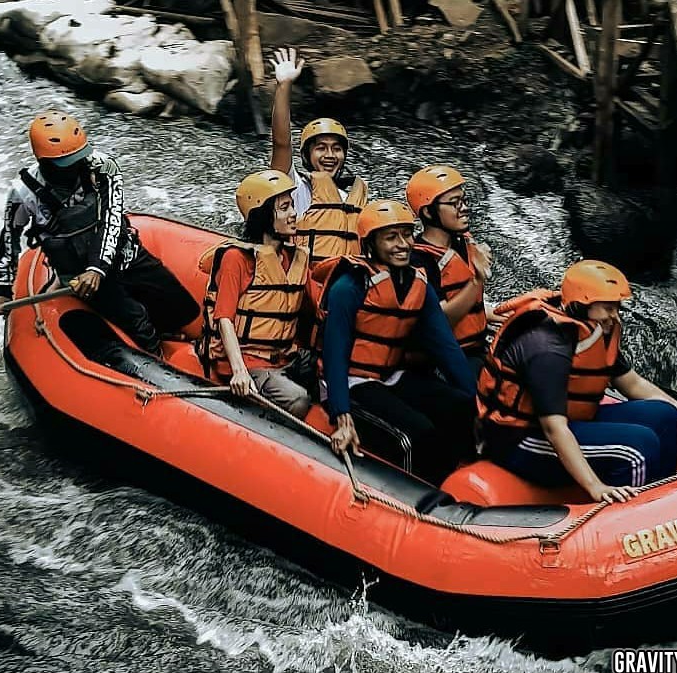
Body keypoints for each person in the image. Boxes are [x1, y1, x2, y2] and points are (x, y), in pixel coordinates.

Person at [477, 260, 677, 504]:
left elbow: (633, 384)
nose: (614, 316)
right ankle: (637, 521)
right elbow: (554, 428)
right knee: (637, 448)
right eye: (607, 308)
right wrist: (596, 487)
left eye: (616, 307)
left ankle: (662, 501)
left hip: (570, 422)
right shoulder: (547, 347)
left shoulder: (593, 329)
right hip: (520, 439)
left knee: (664, 415)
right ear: (581, 305)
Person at [0, 111, 199, 354]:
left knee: (183, 307)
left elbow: (112, 218)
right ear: (44, 162)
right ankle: (156, 360)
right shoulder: (23, 193)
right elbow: (9, 241)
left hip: (123, 255)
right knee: (136, 319)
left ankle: (172, 332)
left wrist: (97, 267)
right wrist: (2, 290)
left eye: (79, 157)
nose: (77, 166)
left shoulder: (104, 168)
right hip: (80, 276)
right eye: (68, 163)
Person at [316, 199, 477, 485]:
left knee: (461, 406)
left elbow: (446, 348)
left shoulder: (418, 283)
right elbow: (335, 354)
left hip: (391, 375)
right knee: (419, 432)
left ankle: (464, 479)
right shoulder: (350, 286)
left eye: (406, 235)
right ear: (371, 244)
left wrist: (478, 402)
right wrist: (342, 414)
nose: (402, 244)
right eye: (391, 237)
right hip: (351, 381)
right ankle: (422, 494)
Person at [197, 170, 312, 419]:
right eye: (284, 208)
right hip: (249, 362)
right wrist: (240, 371)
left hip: (285, 356)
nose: (294, 213)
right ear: (262, 217)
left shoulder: (294, 258)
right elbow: (224, 318)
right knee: (299, 400)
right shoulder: (237, 259)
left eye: (292, 205)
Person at [269, 47, 368, 265]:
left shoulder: (352, 198)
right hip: (305, 276)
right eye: (321, 148)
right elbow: (281, 143)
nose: (330, 155)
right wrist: (284, 85)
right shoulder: (295, 189)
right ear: (307, 155)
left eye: (336, 148)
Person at [406, 164, 503, 375]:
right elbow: (441, 320)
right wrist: (477, 280)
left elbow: (465, 298)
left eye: (464, 200)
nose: (464, 208)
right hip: (443, 359)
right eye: (454, 203)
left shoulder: (463, 244)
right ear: (429, 212)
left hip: (476, 345)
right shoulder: (418, 260)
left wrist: (492, 313)